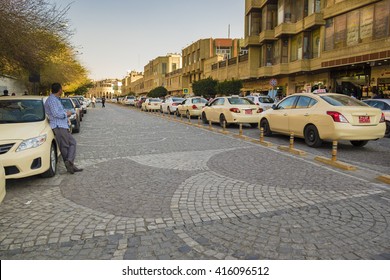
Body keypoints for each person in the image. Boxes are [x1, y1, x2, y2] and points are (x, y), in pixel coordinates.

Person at [44, 83, 83, 174]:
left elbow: (59, 111)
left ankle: (70, 164)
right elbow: (56, 114)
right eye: (61, 89)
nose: (62, 91)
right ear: (59, 90)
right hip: (58, 126)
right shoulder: (52, 100)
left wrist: (68, 112)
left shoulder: (56, 100)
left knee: (71, 143)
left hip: (62, 125)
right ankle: (70, 164)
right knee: (65, 146)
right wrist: (66, 114)